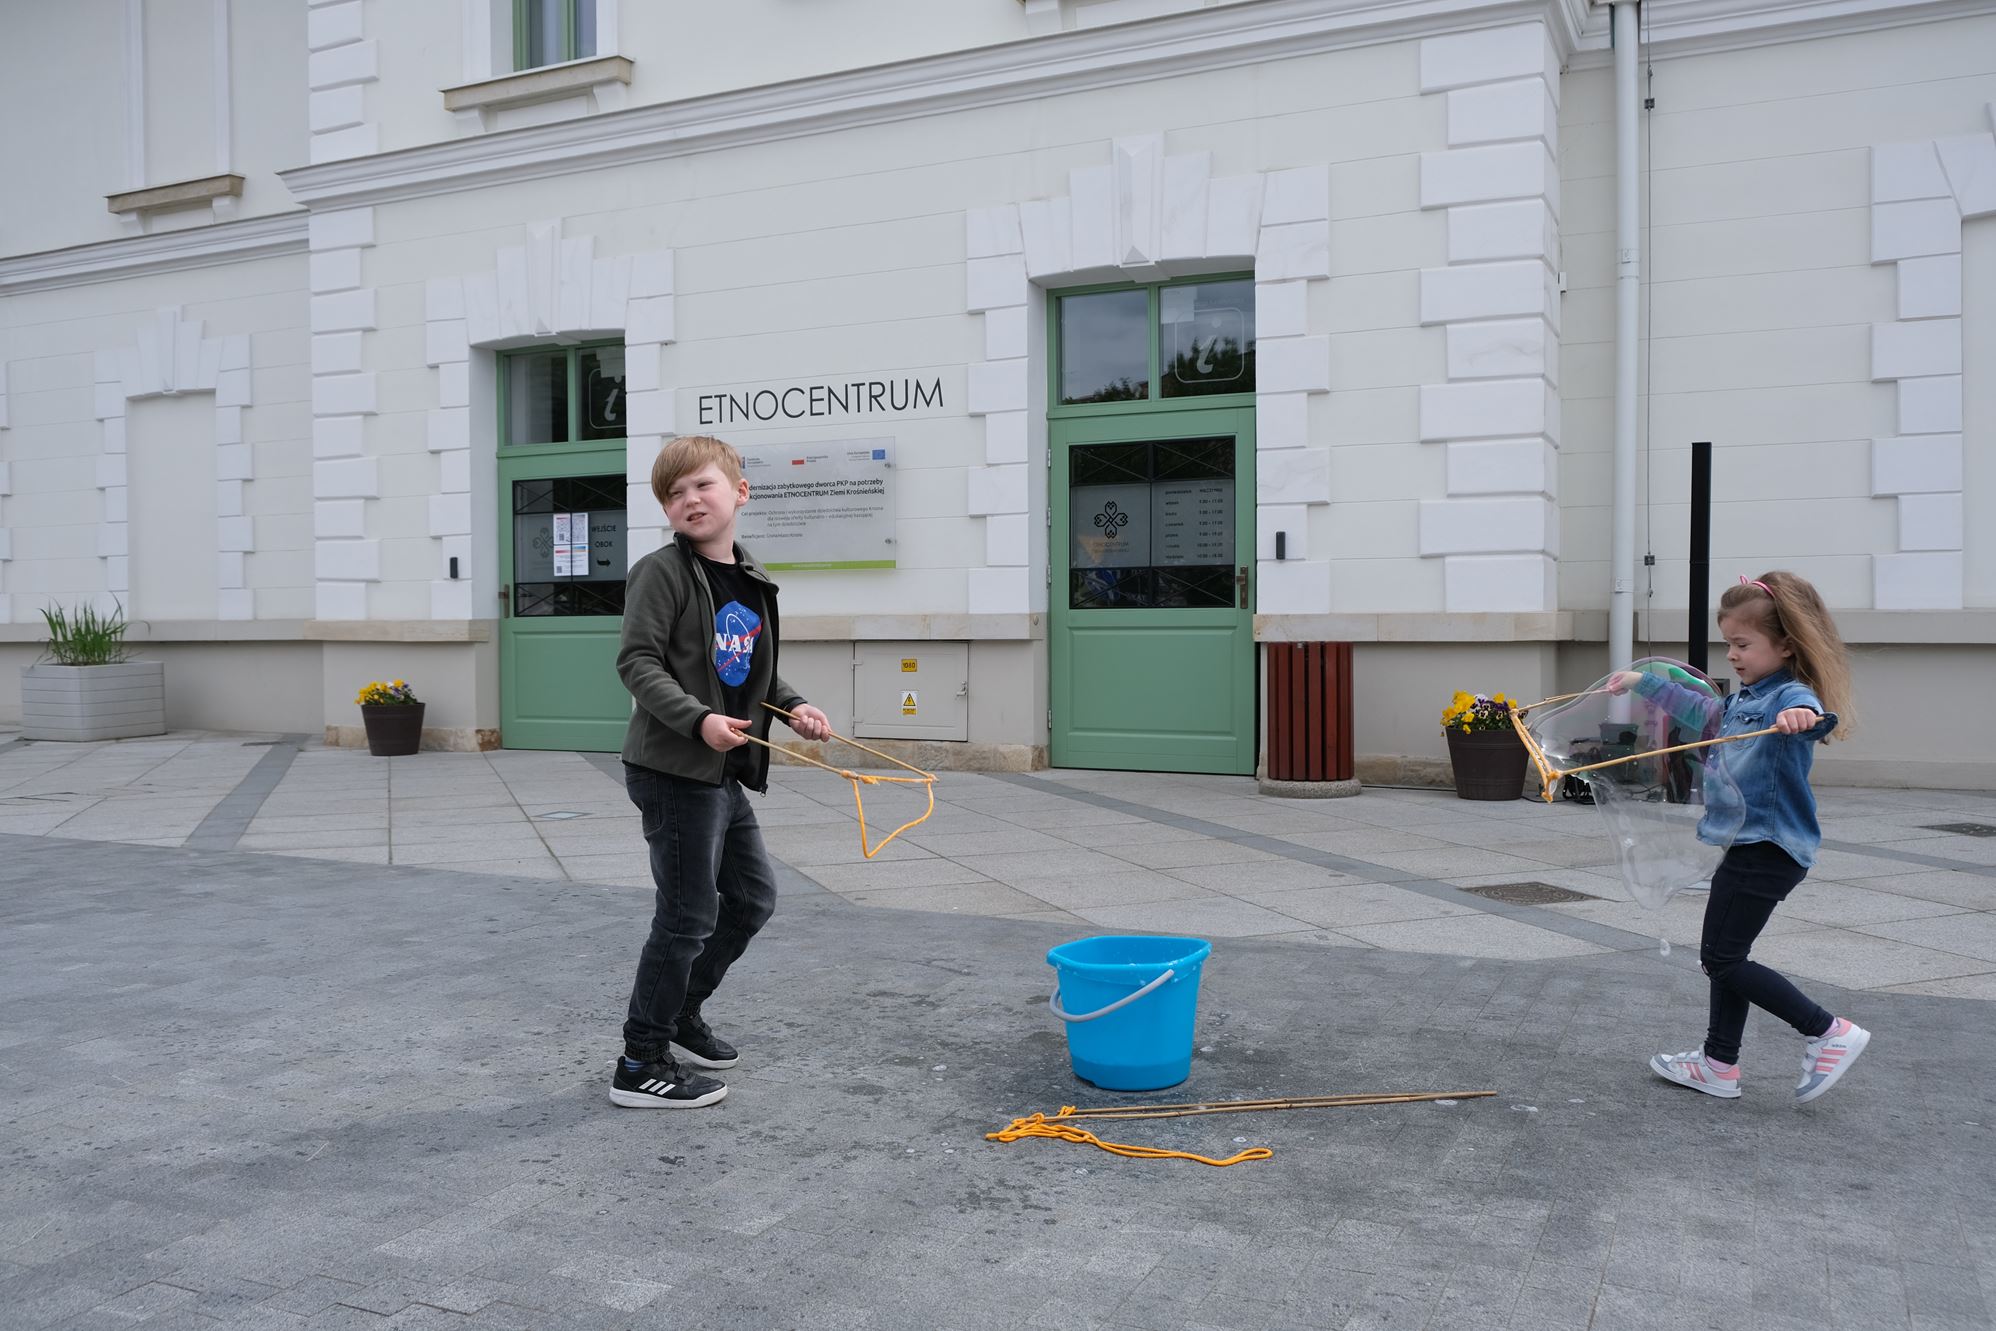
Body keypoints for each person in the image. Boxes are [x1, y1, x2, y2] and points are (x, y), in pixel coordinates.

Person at [609, 434, 831, 1109]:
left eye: (702, 485)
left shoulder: (748, 577)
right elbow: (637, 662)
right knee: (686, 916)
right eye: (674, 494)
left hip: (721, 771)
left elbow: (747, 666)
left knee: (752, 899)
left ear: (739, 490)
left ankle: (681, 1010)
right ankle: (640, 1060)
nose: (690, 500)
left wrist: (793, 705)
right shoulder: (661, 572)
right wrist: (698, 719)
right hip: (673, 767)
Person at [1611, 571, 1869, 1105]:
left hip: (1768, 848)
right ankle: (1718, 1064)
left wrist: (1802, 717)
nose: (1731, 654)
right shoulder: (1745, 700)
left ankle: (1827, 1031)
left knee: (1723, 959)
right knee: (1726, 957)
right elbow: (1702, 711)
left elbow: (1814, 715)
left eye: (1743, 644)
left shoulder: (1788, 696)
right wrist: (1641, 682)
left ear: (1786, 646)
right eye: (1728, 642)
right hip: (1751, 848)